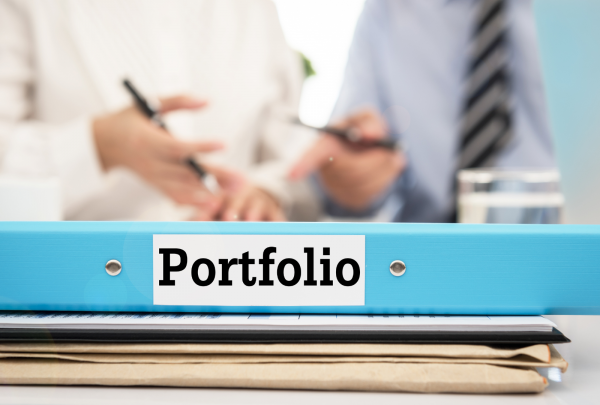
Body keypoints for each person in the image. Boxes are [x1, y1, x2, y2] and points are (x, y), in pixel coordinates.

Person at [0, 0, 317, 221]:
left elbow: (286, 156)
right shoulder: (26, 7)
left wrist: (262, 193)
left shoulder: (256, 10)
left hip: (224, 279)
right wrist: (98, 145)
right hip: (74, 283)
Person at [290, 0, 555, 223]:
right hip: (427, 258)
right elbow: (352, 173)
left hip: (580, 254)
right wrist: (353, 176)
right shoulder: (388, 11)